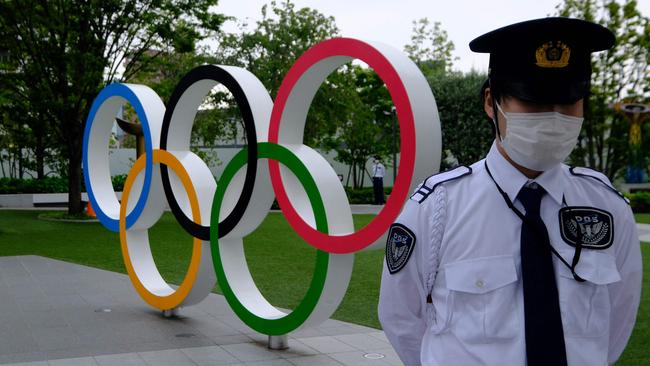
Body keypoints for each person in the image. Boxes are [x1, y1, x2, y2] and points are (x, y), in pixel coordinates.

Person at [378, 17, 642, 366]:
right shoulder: (437, 208)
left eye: (569, 102)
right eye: (534, 101)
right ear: (492, 102)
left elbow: (618, 321)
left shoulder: (607, 209)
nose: (554, 117)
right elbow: (401, 318)